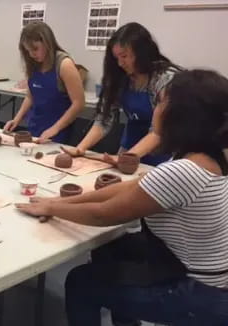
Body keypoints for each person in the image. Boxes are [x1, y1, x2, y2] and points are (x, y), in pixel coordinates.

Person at [17, 70, 228, 325]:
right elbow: (131, 187)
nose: (156, 109)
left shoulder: (182, 170)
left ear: (181, 117)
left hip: (199, 293)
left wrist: (52, 208)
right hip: (202, 276)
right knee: (111, 248)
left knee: (81, 282)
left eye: (161, 102)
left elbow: (104, 214)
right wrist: (58, 202)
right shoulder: (208, 157)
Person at [65, 22, 180, 166]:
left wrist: (126, 158)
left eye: (124, 56)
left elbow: (158, 132)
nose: (120, 63)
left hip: (163, 154)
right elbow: (104, 119)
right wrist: (80, 148)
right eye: (116, 58)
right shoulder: (120, 77)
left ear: (142, 53)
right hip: (130, 146)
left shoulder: (165, 79)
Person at [3, 22, 84, 144]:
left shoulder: (64, 64)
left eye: (35, 49)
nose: (31, 54)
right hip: (35, 128)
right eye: (28, 51)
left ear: (47, 43)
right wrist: (16, 119)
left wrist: (55, 129)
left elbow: (79, 103)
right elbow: (30, 97)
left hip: (59, 133)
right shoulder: (34, 64)